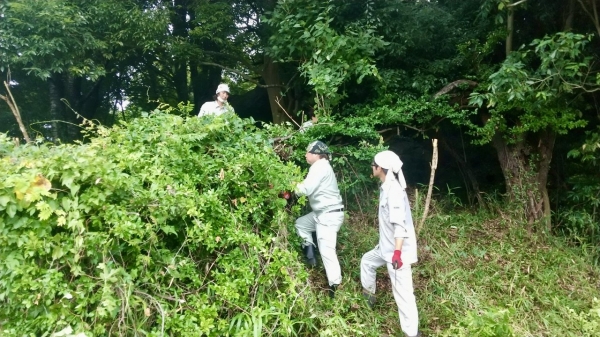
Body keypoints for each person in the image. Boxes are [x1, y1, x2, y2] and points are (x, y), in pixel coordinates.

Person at [360, 150, 420, 337]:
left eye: (373, 164)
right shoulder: (385, 186)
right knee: (367, 261)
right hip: (385, 249)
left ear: (380, 168)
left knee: (403, 295)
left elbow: (399, 227)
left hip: (397, 252)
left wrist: (397, 254)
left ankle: (412, 333)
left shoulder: (393, 191)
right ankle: (368, 300)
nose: (371, 167)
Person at [294, 140, 344, 298]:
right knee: (301, 224)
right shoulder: (322, 166)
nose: (305, 155)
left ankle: (335, 288)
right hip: (322, 213)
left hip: (328, 215)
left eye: (308, 152)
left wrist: (289, 186)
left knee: (327, 250)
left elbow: (306, 189)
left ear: (316, 154)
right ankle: (311, 258)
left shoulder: (320, 166)